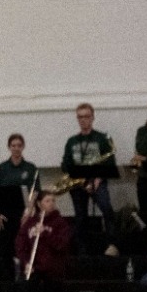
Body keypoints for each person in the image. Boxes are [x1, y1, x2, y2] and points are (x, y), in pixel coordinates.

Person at [62, 103, 117, 253]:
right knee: (80, 217)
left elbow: (110, 161)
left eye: (86, 116)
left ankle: (111, 245)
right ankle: (82, 249)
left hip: (97, 181)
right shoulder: (71, 141)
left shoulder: (101, 138)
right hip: (78, 184)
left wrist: (99, 177)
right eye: (80, 117)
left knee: (107, 209)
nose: (83, 120)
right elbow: (65, 164)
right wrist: (81, 181)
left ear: (92, 117)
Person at [13, 188, 72, 292]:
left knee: (52, 287)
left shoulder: (60, 223)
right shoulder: (30, 223)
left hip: (53, 267)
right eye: (47, 201)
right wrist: (26, 263)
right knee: (24, 283)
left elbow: (61, 245)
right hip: (34, 266)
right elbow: (20, 244)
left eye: (53, 200)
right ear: (39, 204)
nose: (51, 203)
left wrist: (46, 233)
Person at [0, 133, 36, 274]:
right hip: (5, 213)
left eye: (19, 145)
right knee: (6, 247)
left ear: (23, 147)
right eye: (13, 145)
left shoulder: (30, 168)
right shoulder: (2, 168)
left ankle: (25, 275)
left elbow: (34, 191)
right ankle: (8, 278)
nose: (16, 148)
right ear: (9, 147)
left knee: (23, 245)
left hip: (23, 212)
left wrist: (28, 212)